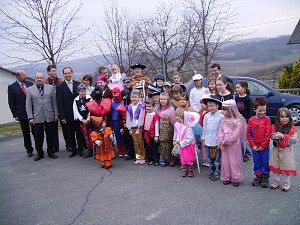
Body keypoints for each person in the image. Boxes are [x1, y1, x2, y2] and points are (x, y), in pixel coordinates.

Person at [26, 72, 59, 161]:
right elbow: (28, 105)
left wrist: (56, 114)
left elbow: (54, 102)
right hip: (37, 117)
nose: (39, 79)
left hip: (50, 115)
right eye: (38, 78)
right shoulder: (29, 90)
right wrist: (30, 117)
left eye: (41, 78)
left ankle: (51, 152)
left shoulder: (51, 88)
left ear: (44, 78)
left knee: (51, 136)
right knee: (38, 136)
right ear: (35, 79)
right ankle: (40, 153)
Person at [269, 108, 298, 191]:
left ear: (290, 118)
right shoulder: (274, 127)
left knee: (287, 166)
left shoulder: (292, 128)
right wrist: (276, 136)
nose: (284, 118)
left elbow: (294, 140)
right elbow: (272, 136)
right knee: (277, 164)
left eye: (286, 116)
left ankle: (287, 181)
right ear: (278, 118)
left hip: (287, 151)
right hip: (277, 149)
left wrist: (283, 136)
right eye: (282, 117)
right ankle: (277, 180)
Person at [219, 100, 245, 186]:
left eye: (225, 109)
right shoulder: (223, 119)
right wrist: (221, 141)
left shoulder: (238, 120)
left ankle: (235, 177)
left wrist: (227, 141)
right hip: (224, 143)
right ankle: (226, 176)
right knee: (225, 160)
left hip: (233, 143)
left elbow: (236, 134)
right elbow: (221, 131)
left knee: (234, 161)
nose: (223, 111)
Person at [7, 70, 34, 157]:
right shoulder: (12, 87)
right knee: (26, 133)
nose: (25, 76)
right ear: (18, 77)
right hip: (22, 113)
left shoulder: (30, 84)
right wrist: (15, 114)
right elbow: (11, 102)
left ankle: (38, 147)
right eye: (23, 75)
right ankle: (29, 149)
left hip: (33, 112)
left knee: (36, 132)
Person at [56, 67, 82, 157]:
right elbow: (59, 102)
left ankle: (81, 149)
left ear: (72, 73)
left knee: (79, 133)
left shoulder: (78, 84)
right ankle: (73, 150)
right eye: (65, 73)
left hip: (78, 114)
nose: (67, 75)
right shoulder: (60, 87)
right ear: (63, 74)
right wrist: (62, 116)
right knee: (70, 133)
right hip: (67, 114)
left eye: (69, 73)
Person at [247, 97, 272, 188]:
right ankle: (258, 176)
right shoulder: (251, 120)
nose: (262, 113)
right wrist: (252, 145)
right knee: (256, 161)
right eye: (260, 110)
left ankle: (265, 177)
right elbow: (249, 134)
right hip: (255, 146)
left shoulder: (267, 120)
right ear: (254, 109)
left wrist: (264, 145)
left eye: (264, 110)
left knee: (265, 161)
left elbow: (268, 133)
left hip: (264, 146)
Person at [201, 96, 223, 181]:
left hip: (216, 140)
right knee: (209, 157)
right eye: (209, 106)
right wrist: (203, 139)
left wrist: (220, 141)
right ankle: (211, 171)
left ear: (217, 105)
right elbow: (204, 127)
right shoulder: (206, 116)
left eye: (212, 105)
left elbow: (221, 130)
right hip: (208, 140)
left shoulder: (221, 116)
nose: (210, 107)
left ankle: (217, 172)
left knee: (217, 158)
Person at [174, 111, 199, 177]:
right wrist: (178, 140)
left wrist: (181, 142)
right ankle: (185, 170)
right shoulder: (182, 126)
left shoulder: (189, 129)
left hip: (189, 146)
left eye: (181, 118)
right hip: (183, 146)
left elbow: (190, 139)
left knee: (189, 158)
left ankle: (190, 170)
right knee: (184, 158)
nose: (179, 119)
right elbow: (180, 135)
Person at [45, 65, 63, 153]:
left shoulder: (60, 81)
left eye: (55, 70)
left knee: (65, 127)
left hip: (61, 105)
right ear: (48, 72)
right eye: (52, 71)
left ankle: (69, 144)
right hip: (51, 107)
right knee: (53, 128)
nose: (54, 72)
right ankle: (55, 146)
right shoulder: (45, 82)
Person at [125, 90, 146, 164]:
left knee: (140, 142)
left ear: (139, 97)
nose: (134, 99)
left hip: (138, 127)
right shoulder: (129, 107)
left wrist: (139, 127)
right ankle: (138, 157)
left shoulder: (141, 106)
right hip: (132, 127)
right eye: (132, 97)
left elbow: (141, 117)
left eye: (135, 97)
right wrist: (129, 128)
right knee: (135, 143)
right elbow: (128, 118)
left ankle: (143, 157)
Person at [73, 84, 92, 158]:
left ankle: (91, 149)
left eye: (84, 91)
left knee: (90, 135)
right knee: (81, 136)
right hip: (80, 120)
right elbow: (75, 111)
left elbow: (91, 108)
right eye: (82, 91)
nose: (83, 93)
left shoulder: (89, 98)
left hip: (88, 119)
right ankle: (82, 150)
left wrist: (88, 119)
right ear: (78, 92)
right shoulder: (76, 100)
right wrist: (82, 119)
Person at [235, 80, 252, 162]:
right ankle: (240, 153)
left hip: (245, 120)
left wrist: (248, 122)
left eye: (238, 87)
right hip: (237, 119)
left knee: (245, 138)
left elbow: (249, 112)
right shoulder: (236, 97)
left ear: (244, 88)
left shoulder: (248, 99)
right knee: (238, 137)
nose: (237, 89)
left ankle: (247, 154)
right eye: (236, 88)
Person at [111, 87, 128, 158]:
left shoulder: (123, 102)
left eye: (117, 94)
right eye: (114, 94)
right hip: (114, 122)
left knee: (124, 135)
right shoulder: (111, 104)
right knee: (118, 136)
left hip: (122, 121)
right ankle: (120, 150)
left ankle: (125, 149)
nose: (116, 95)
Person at [143, 98, 160, 166]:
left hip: (152, 134)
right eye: (147, 106)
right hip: (146, 133)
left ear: (153, 107)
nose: (148, 108)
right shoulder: (145, 114)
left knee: (154, 148)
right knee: (148, 147)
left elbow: (156, 126)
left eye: (150, 106)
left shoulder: (155, 115)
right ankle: (150, 159)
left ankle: (155, 160)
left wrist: (156, 135)